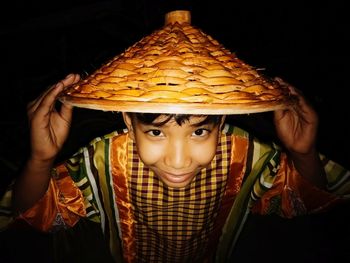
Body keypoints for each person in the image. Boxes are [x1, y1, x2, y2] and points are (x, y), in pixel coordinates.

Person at [0, 73, 349, 263]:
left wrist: (304, 154)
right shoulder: (103, 159)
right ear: (127, 117)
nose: (178, 161)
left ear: (221, 118)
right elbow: (36, 215)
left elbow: (303, 200)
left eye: (199, 131)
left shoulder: (246, 155)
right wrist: (41, 160)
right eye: (155, 131)